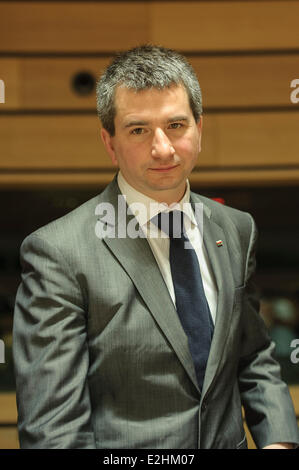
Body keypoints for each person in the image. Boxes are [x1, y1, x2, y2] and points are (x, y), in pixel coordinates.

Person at [13, 45, 299, 449]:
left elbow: (251, 356)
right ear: (109, 142)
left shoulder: (236, 229)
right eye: (138, 129)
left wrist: (279, 442)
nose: (162, 148)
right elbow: (54, 430)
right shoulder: (57, 252)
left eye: (177, 125)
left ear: (200, 128)